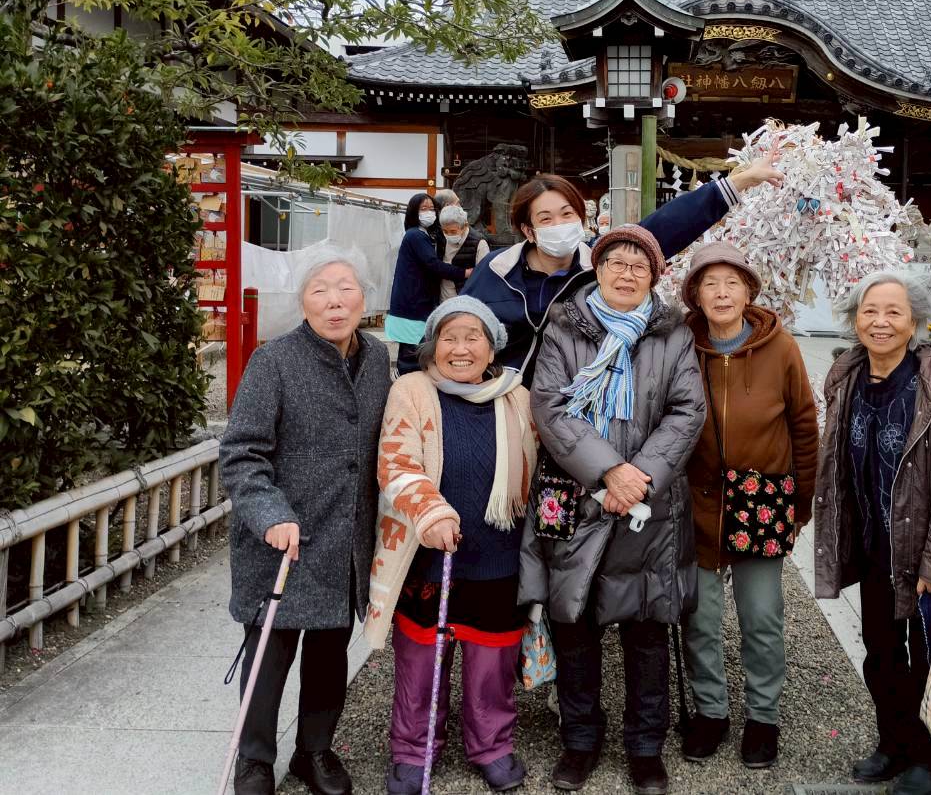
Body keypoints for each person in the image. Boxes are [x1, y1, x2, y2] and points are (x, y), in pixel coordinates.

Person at [519, 225, 705, 795]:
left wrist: (638, 476)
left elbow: (687, 410)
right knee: (573, 621)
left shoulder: (672, 333)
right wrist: (607, 471)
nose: (627, 274)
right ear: (596, 269)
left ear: (655, 276)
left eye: (639, 266)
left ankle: (645, 747)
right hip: (576, 495)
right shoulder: (564, 327)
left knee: (646, 629)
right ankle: (580, 740)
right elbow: (549, 406)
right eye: (615, 263)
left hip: (648, 502)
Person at [220, 248, 391, 795]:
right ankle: (254, 760)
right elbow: (241, 452)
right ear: (302, 300)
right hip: (284, 538)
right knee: (269, 656)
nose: (334, 301)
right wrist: (270, 514)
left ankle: (313, 751)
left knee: (327, 655)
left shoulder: (378, 358)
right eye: (320, 290)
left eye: (345, 288)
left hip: (345, 540)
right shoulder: (274, 362)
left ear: (364, 297)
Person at [364, 296, 537, 794]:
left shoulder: (516, 397)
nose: (461, 349)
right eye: (449, 338)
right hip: (429, 552)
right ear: (433, 346)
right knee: (421, 662)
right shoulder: (412, 390)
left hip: (498, 554)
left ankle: (492, 744)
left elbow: (539, 466)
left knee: (492, 662)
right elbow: (396, 461)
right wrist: (431, 511)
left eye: (473, 337)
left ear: (492, 347)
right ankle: (413, 749)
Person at [813, 271, 931, 795]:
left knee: (929, 656)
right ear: (854, 319)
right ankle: (893, 741)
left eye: (893, 313)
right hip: (872, 546)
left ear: (916, 323)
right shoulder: (845, 375)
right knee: (881, 650)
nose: (880, 322)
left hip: (926, 552)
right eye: (869, 312)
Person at [677, 243, 820, 770]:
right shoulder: (680, 344)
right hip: (699, 499)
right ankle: (710, 711)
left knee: (762, 617)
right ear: (694, 294)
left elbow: (804, 424)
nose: (720, 293)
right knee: (701, 617)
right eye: (709, 284)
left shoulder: (779, 346)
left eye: (731, 283)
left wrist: (800, 500)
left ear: (748, 291)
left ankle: (764, 716)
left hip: (763, 499)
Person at [461, 160, 782, 384]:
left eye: (567, 214)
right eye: (546, 219)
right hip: (499, 404)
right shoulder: (497, 269)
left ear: (581, 218)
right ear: (528, 231)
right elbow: (451, 330)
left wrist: (739, 182)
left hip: (572, 408)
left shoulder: (601, 265)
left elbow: (666, 226)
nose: (559, 225)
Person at [386, 193, 468, 375]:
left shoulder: (426, 235)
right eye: (424, 209)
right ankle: (407, 382)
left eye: (432, 209)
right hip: (412, 303)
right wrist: (464, 273)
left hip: (417, 302)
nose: (429, 213)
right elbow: (433, 265)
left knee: (418, 345)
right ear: (414, 212)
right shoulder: (415, 236)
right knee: (412, 350)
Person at [437, 203, 490, 301]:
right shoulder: (440, 239)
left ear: (465, 226)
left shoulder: (479, 243)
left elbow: (483, 276)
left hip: (466, 300)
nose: (448, 235)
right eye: (445, 231)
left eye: (453, 231)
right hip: (443, 300)